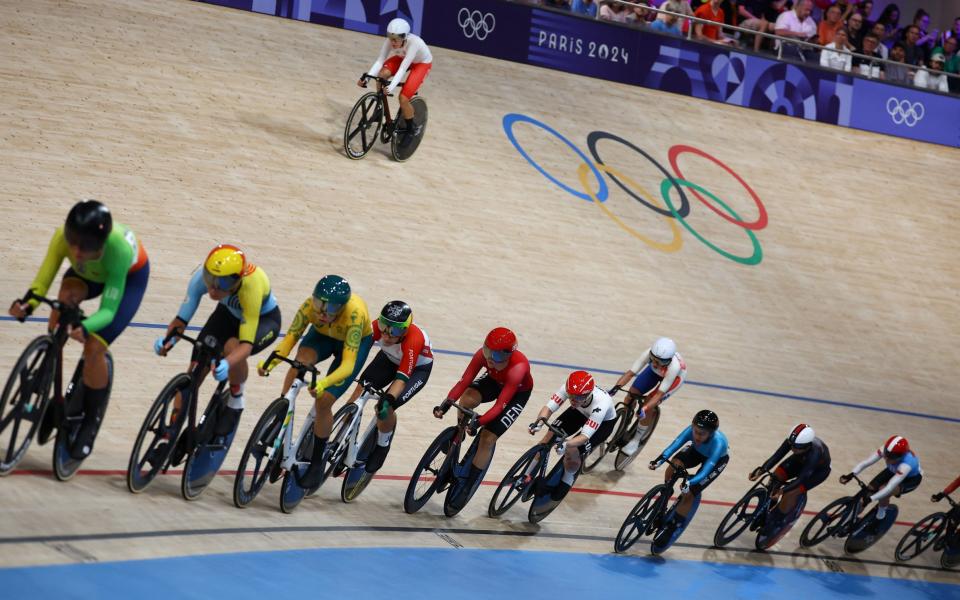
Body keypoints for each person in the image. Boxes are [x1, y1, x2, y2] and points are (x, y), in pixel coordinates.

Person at [10, 200, 150, 459]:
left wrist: (87, 326)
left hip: (128, 278)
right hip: (90, 273)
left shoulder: (117, 250)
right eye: (72, 242)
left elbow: (108, 310)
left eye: (83, 247)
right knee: (63, 302)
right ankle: (50, 365)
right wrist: (26, 304)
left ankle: (90, 421)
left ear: (98, 244)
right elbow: (42, 281)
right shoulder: (64, 239)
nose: (75, 251)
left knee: (94, 346)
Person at [154, 245, 280, 463]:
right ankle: (171, 432)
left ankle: (236, 397)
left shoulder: (251, 287)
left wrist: (227, 363)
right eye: (210, 278)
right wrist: (169, 340)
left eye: (222, 283)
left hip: (262, 321)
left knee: (232, 347)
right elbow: (181, 320)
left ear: (237, 280)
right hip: (227, 315)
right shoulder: (201, 280)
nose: (213, 289)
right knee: (195, 370)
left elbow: (246, 345)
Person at [258, 274, 373, 489]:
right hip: (322, 336)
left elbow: (347, 365)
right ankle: (283, 412)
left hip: (351, 346)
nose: (321, 311)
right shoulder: (310, 307)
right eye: (319, 303)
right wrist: (270, 362)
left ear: (341, 308)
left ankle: (317, 461)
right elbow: (289, 340)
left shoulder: (354, 315)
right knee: (298, 364)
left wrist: (324, 382)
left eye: (329, 308)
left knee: (323, 400)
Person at [436, 327, 533, 494]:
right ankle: (459, 434)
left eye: (496, 355)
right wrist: (446, 403)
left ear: (508, 355)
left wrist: (479, 423)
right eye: (487, 350)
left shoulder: (518, 367)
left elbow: (499, 406)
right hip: (494, 380)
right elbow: (464, 381)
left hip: (516, 393)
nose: (489, 358)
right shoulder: (483, 355)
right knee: (466, 399)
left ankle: (468, 485)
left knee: (487, 438)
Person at [345, 300, 433, 473]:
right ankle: (344, 429)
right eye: (384, 326)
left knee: (385, 408)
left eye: (394, 331)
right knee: (359, 389)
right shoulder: (377, 327)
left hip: (416, 370)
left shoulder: (414, 339)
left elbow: (401, 379)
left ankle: (382, 445)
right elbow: (356, 353)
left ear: (405, 330)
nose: (386, 335)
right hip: (388, 359)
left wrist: (389, 398)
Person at [527, 371, 617, 500]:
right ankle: (526, 475)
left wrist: (567, 444)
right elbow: (549, 408)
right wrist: (539, 423)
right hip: (579, 411)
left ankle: (567, 479)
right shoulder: (570, 389)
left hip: (603, 424)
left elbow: (585, 436)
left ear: (588, 394)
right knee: (549, 436)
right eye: (571, 396)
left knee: (572, 450)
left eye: (579, 397)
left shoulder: (601, 403)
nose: (573, 400)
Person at [648, 409, 729, 545]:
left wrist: (691, 482)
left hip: (714, 461)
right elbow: (674, 446)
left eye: (702, 434)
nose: (697, 436)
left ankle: (673, 526)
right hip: (696, 452)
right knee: (675, 463)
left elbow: (706, 470)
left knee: (690, 492)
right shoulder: (690, 431)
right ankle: (667, 491)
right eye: (695, 431)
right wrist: (659, 461)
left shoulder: (719, 443)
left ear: (711, 433)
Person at [359, 18, 432, 143]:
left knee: (403, 98)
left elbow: (403, 68)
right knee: (382, 75)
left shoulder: (414, 43)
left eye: (396, 39)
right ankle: (379, 108)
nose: (392, 42)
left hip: (421, 64)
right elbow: (380, 60)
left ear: (404, 37)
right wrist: (367, 77)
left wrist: (391, 87)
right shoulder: (390, 41)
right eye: (390, 37)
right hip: (402, 57)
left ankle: (411, 129)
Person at [610, 337, 687, 457]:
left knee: (648, 404)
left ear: (668, 361)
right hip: (653, 373)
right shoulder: (648, 353)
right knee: (631, 394)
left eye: (660, 362)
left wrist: (645, 409)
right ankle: (626, 420)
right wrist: (615, 388)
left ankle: (636, 440)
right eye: (653, 359)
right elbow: (630, 373)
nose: (655, 364)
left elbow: (659, 394)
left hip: (674, 379)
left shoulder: (674, 367)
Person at [839, 435, 923, 534]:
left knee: (883, 491)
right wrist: (851, 474)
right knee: (868, 491)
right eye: (887, 455)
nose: (887, 459)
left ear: (901, 456)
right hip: (893, 471)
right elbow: (866, 463)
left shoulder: (907, 464)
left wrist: (871, 499)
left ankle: (880, 518)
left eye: (891, 457)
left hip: (910, 479)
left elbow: (889, 487)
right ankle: (849, 521)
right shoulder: (885, 450)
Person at [750, 424, 831, 524]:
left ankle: (777, 520)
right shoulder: (794, 441)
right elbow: (776, 456)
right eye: (791, 445)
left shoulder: (815, 453)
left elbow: (802, 478)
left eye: (796, 447)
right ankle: (766, 509)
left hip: (816, 473)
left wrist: (782, 491)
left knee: (791, 493)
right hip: (799, 460)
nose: (792, 449)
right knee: (775, 477)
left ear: (807, 446)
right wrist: (761, 470)